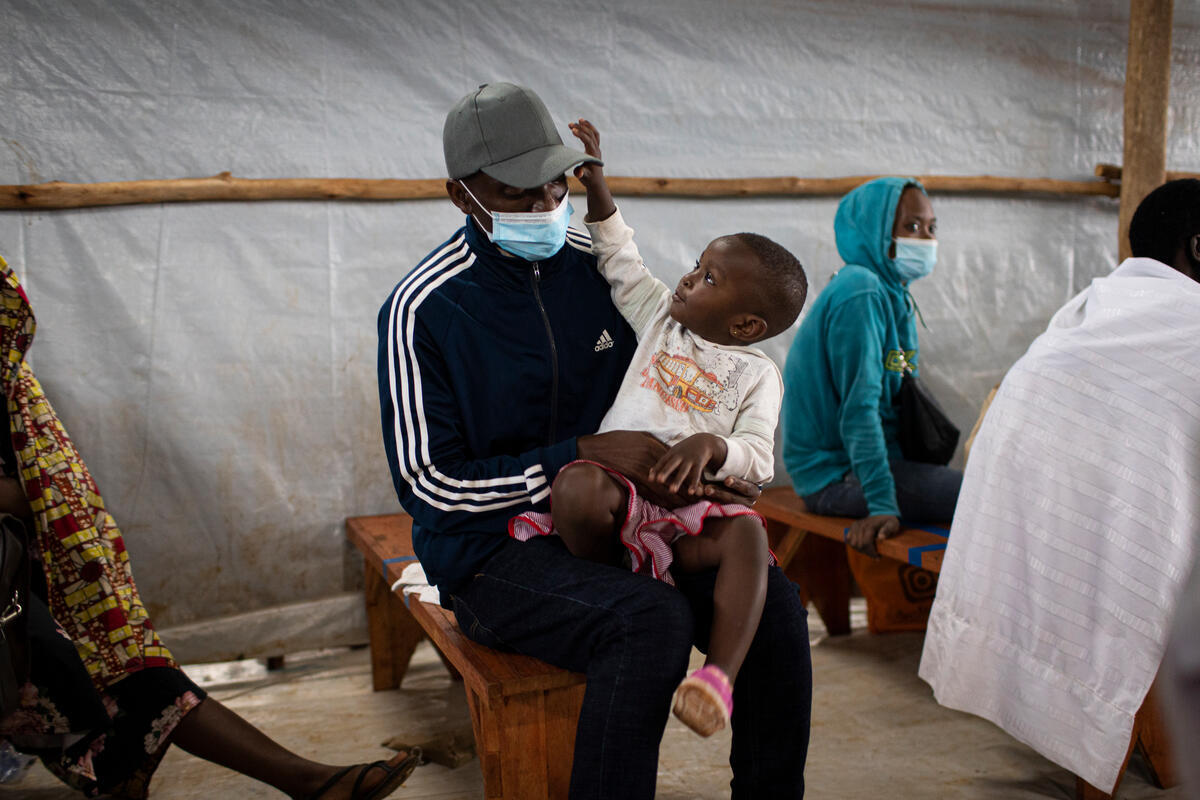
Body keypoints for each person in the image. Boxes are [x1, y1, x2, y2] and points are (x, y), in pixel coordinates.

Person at [378, 83, 811, 799]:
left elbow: (686, 388)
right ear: (462, 196)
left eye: (556, 182)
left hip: (638, 516)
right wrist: (574, 456)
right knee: (647, 619)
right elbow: (429, 487)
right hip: (492, 552)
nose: (548, 203)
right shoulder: (426, 308)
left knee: (776, 612)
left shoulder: (598, 268)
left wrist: (722, 467)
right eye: (519, 193)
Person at [0, 256, 417, 800]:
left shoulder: (13, 387)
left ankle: (305, 781)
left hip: (24, 572)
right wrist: (38, 490)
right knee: (106, 675)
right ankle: (305, 782)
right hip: (16, 591)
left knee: (143, 677)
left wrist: (41, 492)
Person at [506, 118, 808, 738]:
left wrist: (714, 446)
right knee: (575, 488)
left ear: (746, 326)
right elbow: (621, 260)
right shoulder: (660, 321)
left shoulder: (758, 375)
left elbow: (758, 458)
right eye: (698, 265)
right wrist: (597, 187)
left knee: (749, 539)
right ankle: (615, 582)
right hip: (622, 501)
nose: (689, 278)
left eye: (709, 278)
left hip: (692, 514)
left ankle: (716, 680)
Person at [918, 179, 1200, 793]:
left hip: (1050, 543)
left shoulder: (1088, 311)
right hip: (1131, 553)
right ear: (1198, 247)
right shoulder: (1188, 327)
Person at [780, 176, 962, 557]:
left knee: (980, 487)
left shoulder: (893, 293)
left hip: (860, 463)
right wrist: (882, 505)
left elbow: (893, 396)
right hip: (833, 475)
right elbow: (859, 411)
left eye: (931, 228)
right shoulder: (860, 292)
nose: (925, 239)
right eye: (911, 226)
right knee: (980, 496)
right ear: (875, 230)